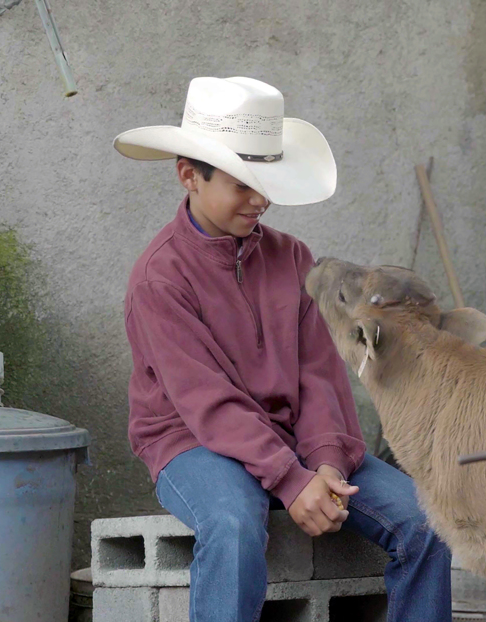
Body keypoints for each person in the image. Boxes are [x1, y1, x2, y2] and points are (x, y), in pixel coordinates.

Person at [114, 76, 452, 622]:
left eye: (265, 180)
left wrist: (322, 463)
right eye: (241, 183)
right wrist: (291, 480)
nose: (260, 199)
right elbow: (208, 405)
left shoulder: (294, 257)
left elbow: (319, 375)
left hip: (296, 441)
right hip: (194, 443)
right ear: (188, 176)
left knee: (427, 521)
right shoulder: (159, 280)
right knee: (232, 524)